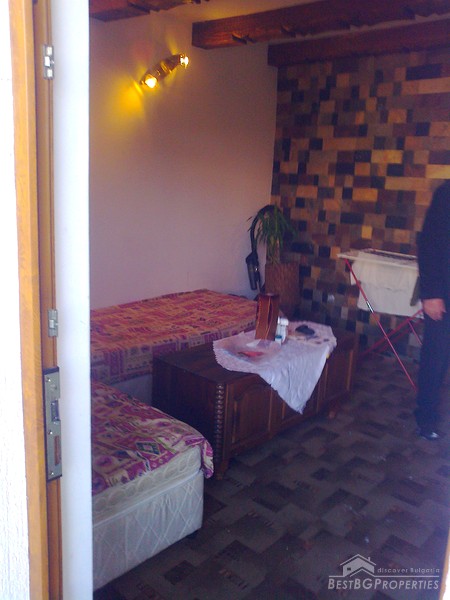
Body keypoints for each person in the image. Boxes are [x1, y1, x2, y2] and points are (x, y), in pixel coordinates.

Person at [415, 180, 450, 440]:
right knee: (435, 358)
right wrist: (430, 294)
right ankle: (425, 419)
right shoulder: (446, 194)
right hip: (443, 295)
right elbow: (428, 245)